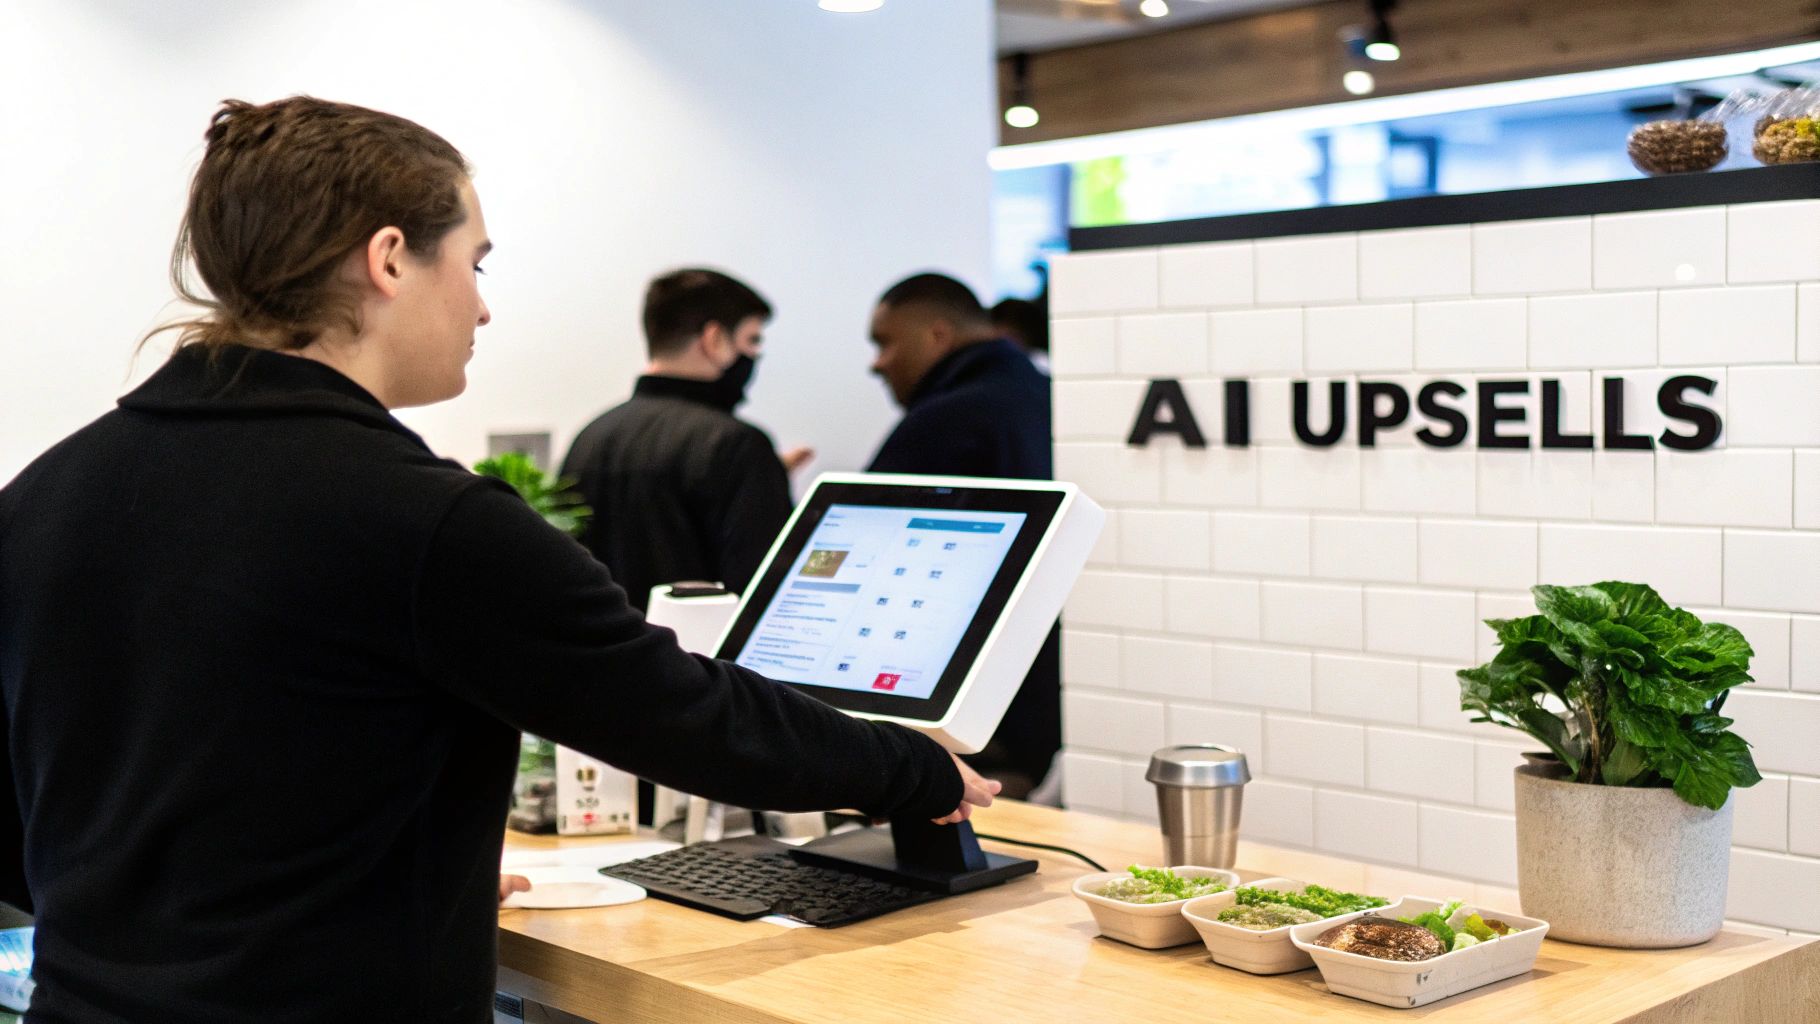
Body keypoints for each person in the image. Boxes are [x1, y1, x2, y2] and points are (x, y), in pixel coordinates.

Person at [0, 96, 996, 1023]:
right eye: (475, 263)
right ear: (389, 259)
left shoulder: (45, 493)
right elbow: (684, 712)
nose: (481, 308)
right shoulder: (420, 519)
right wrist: (908, 766)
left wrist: (376, 879)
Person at [864, 272, 1059, 799]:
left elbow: (871, 552)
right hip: (1042, 700)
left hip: (959, 715)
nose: (876, 363)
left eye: (884, 343)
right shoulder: (1049, 397)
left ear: (937, 336)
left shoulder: (946, 420)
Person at [560, 269, 802, 615]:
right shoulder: (736, 444)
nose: (754, 356)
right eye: (752, 340)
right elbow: (764, 600)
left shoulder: (591, 436)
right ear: (715, 339)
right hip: (695, 664)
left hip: (602, 660)